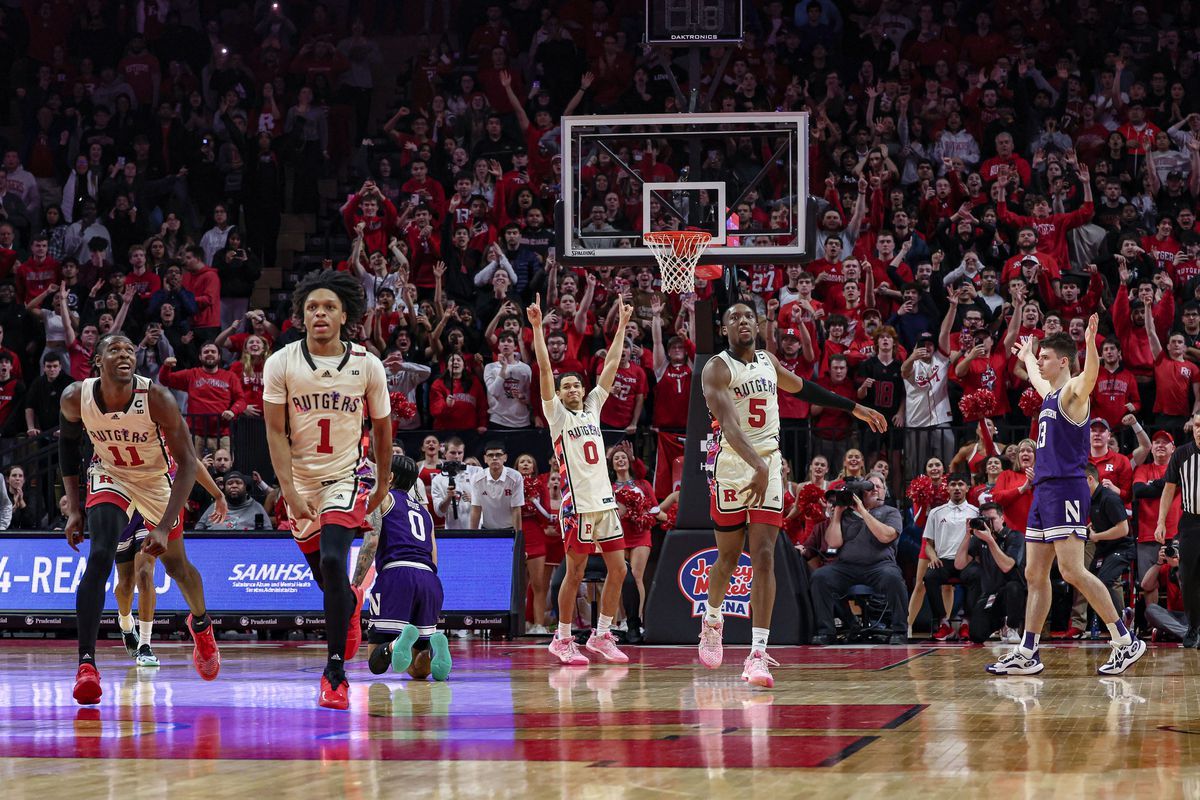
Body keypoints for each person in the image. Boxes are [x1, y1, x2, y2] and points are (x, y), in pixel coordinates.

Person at [698, 303, 887, 687]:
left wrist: (854, 408)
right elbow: (731, 426)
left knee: (765, 555)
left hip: (766, 462)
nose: (742, 321)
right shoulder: (717, 368)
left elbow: (804, 389)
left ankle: (757, 654)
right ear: (724, 328)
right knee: (729, 557)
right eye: (733, 317)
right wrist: (757, 464)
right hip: (734, 466)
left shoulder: (768, 361)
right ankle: (713, 618)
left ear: (759, 324)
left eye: (748, 316)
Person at [60, 333, 220, 704]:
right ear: (97, 360)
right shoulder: (75, 397)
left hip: (155, 478)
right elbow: (68, 448)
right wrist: (73, 508)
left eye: (130, 350)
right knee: (100, 556)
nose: (124, 355)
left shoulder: (157, 398)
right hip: (109, 474)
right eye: (114, 349)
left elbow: (188, 464)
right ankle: (87, 665)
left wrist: (163, 526)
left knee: (178, 568)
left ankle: (201, 624)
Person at [988, 318, 1147, 676]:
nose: (1040, 362)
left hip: (1066, 487)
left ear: (1063, 361)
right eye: (1039, 357)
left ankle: (1125, 641)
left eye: (1045, 356)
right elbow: (1035, 376)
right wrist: (1027, 355)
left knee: (1073, 570)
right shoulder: (1049, 392)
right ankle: (1028, 651)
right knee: (1034, 572)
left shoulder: (1074, 392)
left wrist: (1090, 343)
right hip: (1044, 490)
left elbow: (1089, 376)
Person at [263, 270, 392, 710]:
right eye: (313, 307)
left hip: (345, 476)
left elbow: (382, 429)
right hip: (299, 481)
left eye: (329, 307)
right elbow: (274, 434)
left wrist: (384, 481)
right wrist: (289, 491)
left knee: (336, 560)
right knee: (327, 578)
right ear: (302, 316)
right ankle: (352, 602)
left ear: (344, 316)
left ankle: (334, 673)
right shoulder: (280, 362)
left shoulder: (367, 364)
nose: (320, 313)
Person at [528, 293, 634, 667]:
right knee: (574, 573)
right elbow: (543, 369)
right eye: (566, 387)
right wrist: (538, 329)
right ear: (558, 395)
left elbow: (613, 364)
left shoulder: (592, 409)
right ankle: (561, 638)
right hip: (578, 506)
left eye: (577, 386)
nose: (573, 390)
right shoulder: (556, 415)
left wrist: (621, 325)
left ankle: (602, 634)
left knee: (619, 569)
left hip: (605, 503)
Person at [114, 462, 227, 666]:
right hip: (123, 498)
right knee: (125, 584)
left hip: (154, 499)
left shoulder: (165, 435)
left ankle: (146, 645)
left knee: (145, 573)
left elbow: (190, 460)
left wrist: (217, 494)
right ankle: (126, 624)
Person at [357, 455, 452, 681]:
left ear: (389, 476)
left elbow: (371, 542)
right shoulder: (425, 513)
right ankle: (433, 649)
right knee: (417, 672)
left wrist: (355, 583)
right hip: (429, 580)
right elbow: (434, 559)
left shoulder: (381, 498)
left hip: (397, 574)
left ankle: (394, 645)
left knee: (375, 662)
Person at [808, 472, 909, 644]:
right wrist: (838, 513)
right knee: (820, 577)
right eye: (870, 486)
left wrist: (863, 510)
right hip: (846, 567)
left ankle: (900, 630)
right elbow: (833, 543)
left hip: (879, 566)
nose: (874, 489)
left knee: (893, 578)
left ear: (885, 492)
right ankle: (826, 631)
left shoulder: (890, 512)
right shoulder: (846, 514)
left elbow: (886, 536)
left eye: (879, 486)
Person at [1153, 412, 1200, 646]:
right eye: (1198, 426)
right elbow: (1169, 489)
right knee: (1188, 577)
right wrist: (1161, 521)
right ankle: (1193, 628)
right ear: (1192, 428)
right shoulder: (1182, 454)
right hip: (1191, 522)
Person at [954, 502, 1026, 644]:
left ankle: (1012, 627)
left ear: (1002, 519)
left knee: (1013, 588)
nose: (988, 524)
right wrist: (967, 535)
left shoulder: (1015, 536)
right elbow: (959, 564)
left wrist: (990, 540)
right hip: (991, 594)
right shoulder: (979, 539)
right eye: (985, 520)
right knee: (976, 635)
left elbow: (1007, 566)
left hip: (1013, 594)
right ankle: (998, 624)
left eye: (992, 519)